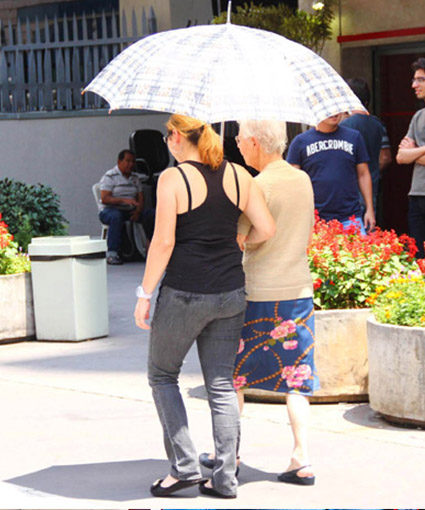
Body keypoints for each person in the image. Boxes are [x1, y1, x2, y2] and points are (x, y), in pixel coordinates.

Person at [133, 114, 275, 499]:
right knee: (222, 384)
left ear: (178, 137)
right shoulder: (240, 175)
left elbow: (163, 242)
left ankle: (184, 468)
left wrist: (145, 294)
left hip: (185, 291)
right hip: (230, 292)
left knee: (163, 375)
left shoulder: (172, 179)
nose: (167, 142)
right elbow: (266, 229)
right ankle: (225, 477)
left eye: (168, 136)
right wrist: (237, 239)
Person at [199, 119, 319, 486]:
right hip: (297, 292)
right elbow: (306, 234)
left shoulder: (256, 185)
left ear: (254, 142)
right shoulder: (303, 179)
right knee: (298, 380)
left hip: (256, 293)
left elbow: (240, 237)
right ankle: (301, 458)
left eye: (240, 139)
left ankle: (228, 454)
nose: (237, 145)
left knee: (233, 377)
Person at [287, 113, 376, 234]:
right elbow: (292, 180)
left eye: (336, 109)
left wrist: (370, 209)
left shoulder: (354, 137)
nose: (334, 113)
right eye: (328, 110)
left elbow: (363, 174)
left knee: (359, 246)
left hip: (350, 216)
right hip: (315, 219)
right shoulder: (300, 142)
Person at [98, 149, 154, 265]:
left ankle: (152, 249)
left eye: (133, 162)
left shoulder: (135, 178)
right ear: (119, 162)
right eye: (128, 161)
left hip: (130, 211)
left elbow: (141, 198)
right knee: (116, 216)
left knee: (151, 214)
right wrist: (124, 200)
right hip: (110, 210)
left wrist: (138, 211)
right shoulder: (110, 176)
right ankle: (112, 254)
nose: (131, 164)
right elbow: (105, 198)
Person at [340, 78, 385, 214]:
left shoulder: (343, 127)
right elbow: (385, 157)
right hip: (372, 186)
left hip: (349, 190)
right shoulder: (378, 124)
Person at [396, 57, 425, 259]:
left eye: (420, 80)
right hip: (416, 195)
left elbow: (408, 155)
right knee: (418, 258)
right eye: (414, 79)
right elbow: (400, 156)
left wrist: (413, 152)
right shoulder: (418, 116)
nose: (414, 85)